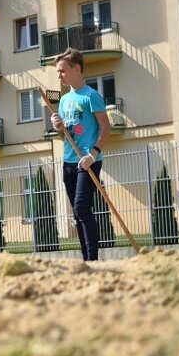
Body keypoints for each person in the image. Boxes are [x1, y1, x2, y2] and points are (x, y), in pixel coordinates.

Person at [50, 47, 112, 261]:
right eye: (58, 72)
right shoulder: (65, 99)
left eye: (62, 71)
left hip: (88, 161)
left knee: (82, 207)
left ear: (76, 69)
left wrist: (93, 154)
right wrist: (58, 126)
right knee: (77, 213)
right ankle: (85, 256)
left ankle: (92, 258)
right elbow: (64, 132)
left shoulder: (91, 96)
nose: (59, 75)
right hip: (68, 160)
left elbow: (106, 127)